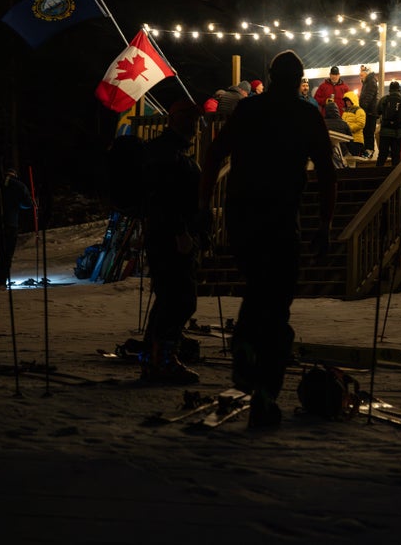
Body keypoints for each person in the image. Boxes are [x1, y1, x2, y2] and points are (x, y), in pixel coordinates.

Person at [199, 49, 337, 429]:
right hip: (279, 218)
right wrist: (324, 223)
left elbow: (214, 154)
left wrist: (203, 202)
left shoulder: (248, 111)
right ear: (298, 79)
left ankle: (245, 344)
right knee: (276, 304)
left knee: (258, 287)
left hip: (242, 216)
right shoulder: (306, 115)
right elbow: (327, 170)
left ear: (272, 76)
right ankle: (264, 390)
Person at [139, 100, 204, 384]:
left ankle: (152, 357)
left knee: (169, 297)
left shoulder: (171, 151)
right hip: (170, 236)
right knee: (180, 299)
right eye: (191, 119)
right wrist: (180, 232)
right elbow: (166, 197)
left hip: (167, 234)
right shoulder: (167, 154)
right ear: (178, 120)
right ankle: (163, 359)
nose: (196, 126)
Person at [376, 81, 401, 167]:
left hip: (385, 132)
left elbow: (377, 112)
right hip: (398, 133)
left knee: (382, 155)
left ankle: (377, 175)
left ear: (390, 90)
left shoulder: (384, 100)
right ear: (399, 90)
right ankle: (395, 176)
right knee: (396, 155)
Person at [358, 64, 379, 158]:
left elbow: (368, 97)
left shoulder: (371, 82)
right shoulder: (367, 82)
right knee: (367, 132)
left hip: (370, 112)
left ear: (367, 72)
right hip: (368, 112)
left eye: (362, 72)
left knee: (369, 132)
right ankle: (367, 150)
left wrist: (362, 109)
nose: (360, 74)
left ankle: (369, 151)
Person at [341, 91, 366, 156]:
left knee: (353, 160)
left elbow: (361, 124)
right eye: (346, 101)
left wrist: (348, 129)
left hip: (356, 140)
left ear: (353, 100)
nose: (347, 102)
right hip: (347, 139)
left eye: (349, 100)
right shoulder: (345, 112)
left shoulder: (359, 110)